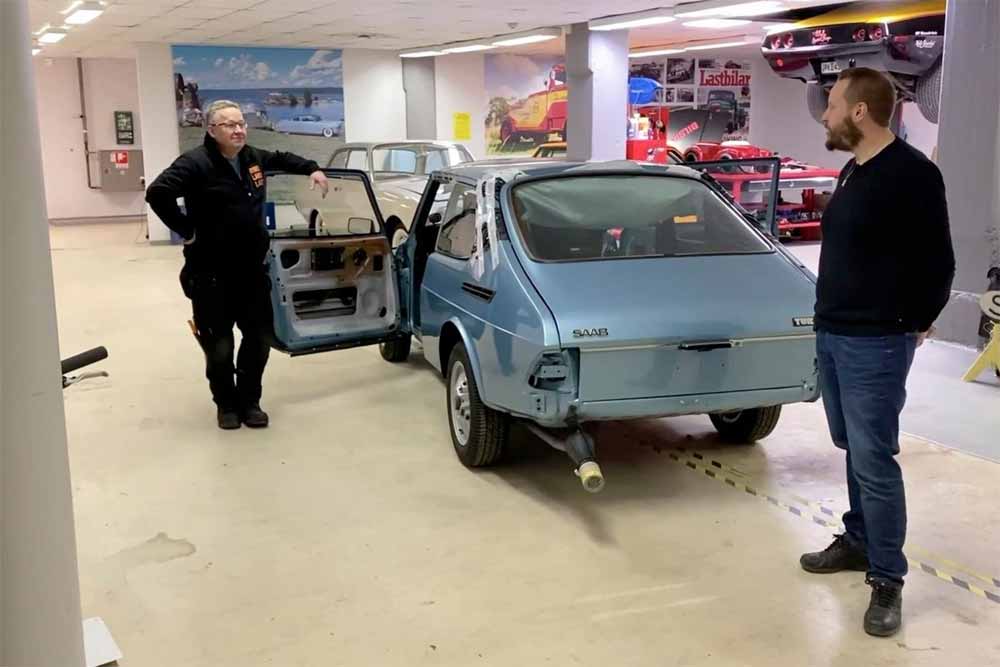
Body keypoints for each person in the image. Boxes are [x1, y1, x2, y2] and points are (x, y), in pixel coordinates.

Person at [799, 68, 955, 637]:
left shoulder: (912, 175)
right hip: (835, 333)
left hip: (875, 342)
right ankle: (860, 539)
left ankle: (887, 578)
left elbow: (938, 261)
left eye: (832, 104)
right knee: (851, 447)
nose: (825, 114)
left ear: (859, 112)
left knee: (874, 458)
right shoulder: (852, 170)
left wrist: (913, 323)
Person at [146, 100, 329, 430]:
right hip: (210, 275)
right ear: (212, 130)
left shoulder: (252, 159)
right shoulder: (195, 163)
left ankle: (250, 401)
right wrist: (186, 229)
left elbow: (283, 158)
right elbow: (158, 192)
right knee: (219, 346)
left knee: (258, 340)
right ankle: (226, 404)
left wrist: (312, 168)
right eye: (229, 124)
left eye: (241, 123)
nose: (239, 129)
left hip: (251, 272)